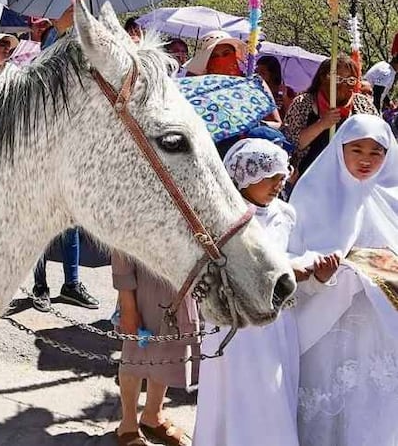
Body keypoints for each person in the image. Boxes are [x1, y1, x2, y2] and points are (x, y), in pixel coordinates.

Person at [193, 138, 336, 446]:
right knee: (237, 394)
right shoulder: (223, 219)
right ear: (247, 176)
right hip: (236, 325)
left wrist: (315, 273)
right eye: (270, 177)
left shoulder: (286, 214)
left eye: (281, 177)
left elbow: (295, 255)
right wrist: (284, 270)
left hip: (277, 326)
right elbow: (220, 270)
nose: (277, 184)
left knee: (273, 392)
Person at [288, 115, 398, 446]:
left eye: (376, 152)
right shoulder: (311, 193)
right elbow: (290, 258)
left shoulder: (392, 195)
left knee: (375, 396)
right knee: (330, 392)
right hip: (328, 322)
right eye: (357, 149)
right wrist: (318, 275)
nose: (366, 160)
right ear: (340, 150)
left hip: (382, 324)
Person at [112, 250, 198, 446]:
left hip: (179, 280)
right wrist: (126, 299)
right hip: (143, 280)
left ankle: (153, 414)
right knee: (134, 352)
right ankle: (128, 424)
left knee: (166, 348)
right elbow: (120, 248)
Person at [283, 55, 378, 177]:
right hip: (308, 177)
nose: (344, 85)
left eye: (350, 80)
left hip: (351, 178)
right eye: (338, 79)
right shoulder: (303, 103)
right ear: (323, 78)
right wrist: (321, 124)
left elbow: (378, 141)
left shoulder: (363, 105)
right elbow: (291, 143)